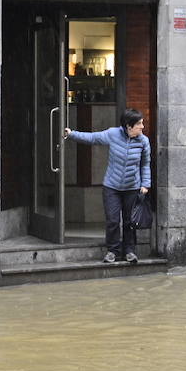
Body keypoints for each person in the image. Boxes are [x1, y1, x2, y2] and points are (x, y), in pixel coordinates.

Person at [64, 108, 152, 264]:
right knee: (112, 220)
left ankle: (129, 251)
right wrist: (71, 134)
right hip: (112, 187)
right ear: (128, 126)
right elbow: (93, 138)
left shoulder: (143, 141)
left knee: (129, 221)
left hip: (132, 187)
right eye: (139, 124)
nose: (142, 127)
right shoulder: (113, 134)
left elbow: (145, 164)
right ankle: (113, 251)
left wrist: (145, 184)